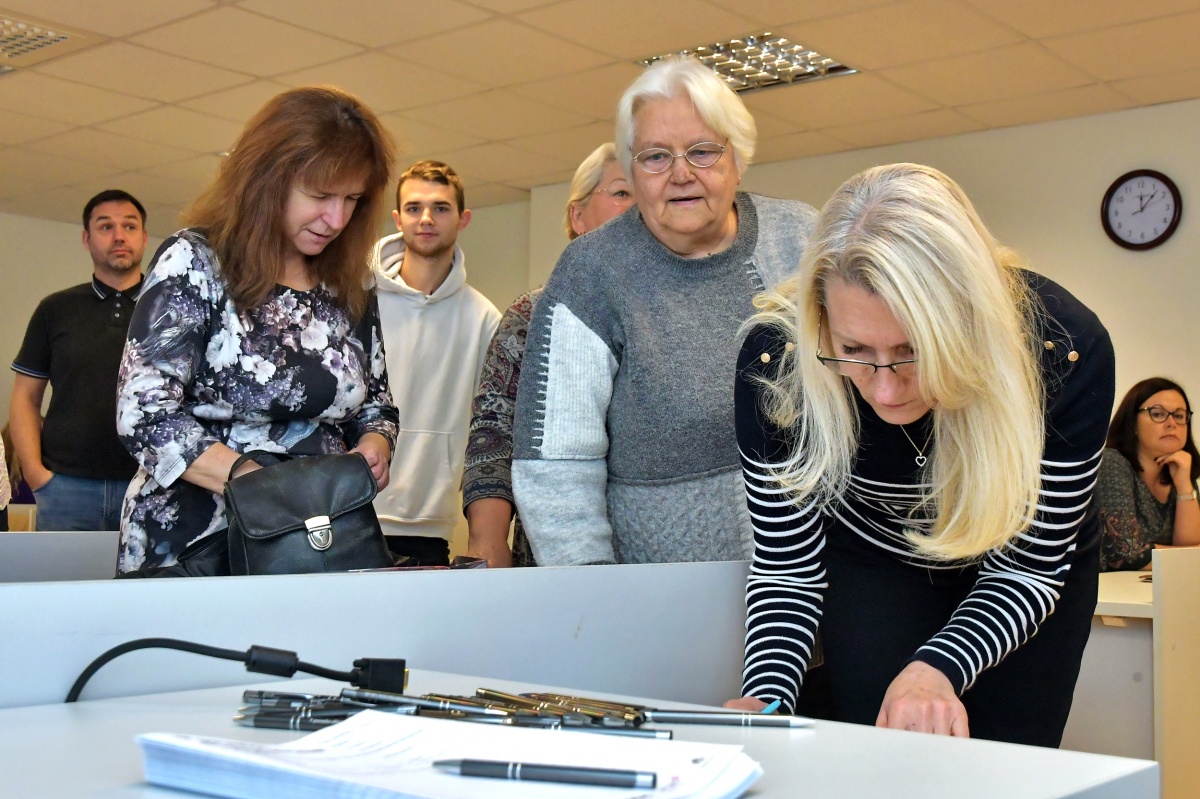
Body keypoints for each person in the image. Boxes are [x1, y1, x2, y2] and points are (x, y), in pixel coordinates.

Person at [725, 163, 1115, 748]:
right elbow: (788, 569)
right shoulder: (775, 363)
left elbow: (1029, 569)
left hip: (1019, 562)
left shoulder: (1063, 349)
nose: (885, 390)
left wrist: (938, 669)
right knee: (878, 742)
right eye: (854, 350)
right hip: (877, 552)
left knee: (1007, 760)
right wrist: (767, 698)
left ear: (968, 323)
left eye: (914, 351)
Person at [511, 56, 817, 566]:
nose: (680, 174)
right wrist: (594, 591)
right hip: (657, 588)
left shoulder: (802, 239)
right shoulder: (592, 272)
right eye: (655, 156)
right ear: (632, 171)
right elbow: (556, 466)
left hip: (811, 576)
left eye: (702, 151)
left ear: (738, 158)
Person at [114, 86, 399, 574]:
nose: (337, 218)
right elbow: (143, 413)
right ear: (267, 180)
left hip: (315, 540)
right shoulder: (196, 261)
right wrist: (255, 481)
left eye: (352, 199)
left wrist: (377, 442)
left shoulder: (349, 283)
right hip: (198, 542)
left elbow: (376, 403)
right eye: (320, 195)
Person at [462, 143, 634, 567]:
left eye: (645, 195)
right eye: (621, 192)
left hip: (661, 556)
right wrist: (487, 541)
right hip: (556, 556)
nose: (637, 208)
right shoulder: (533, 314)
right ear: (578, 216)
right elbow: (493, 432)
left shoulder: (672, 317)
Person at [370, 160, 500, 567]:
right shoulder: (357, 301)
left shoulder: (484, 319)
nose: (426, 218)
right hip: (350, 512)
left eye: (441, 208)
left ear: (463, 219)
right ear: (398, 219)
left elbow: (491, 428)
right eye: (414, 208)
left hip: (429, 525)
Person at [10, 190, 148, 531]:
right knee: (60, 570)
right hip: (66, 489)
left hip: (151, 485)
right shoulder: (55, 309)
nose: (119, 236)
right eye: (106, 226)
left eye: (129, 226)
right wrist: (36, 475)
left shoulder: (170, 308)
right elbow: (25, 397)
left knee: (150, 572)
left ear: (144, 238)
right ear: (87, 238)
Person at [1097, 378, 1200, 570]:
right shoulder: (1112, 462)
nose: (1172, 423)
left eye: (1179, 416)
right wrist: (1188, 557)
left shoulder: (1180, 471)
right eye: (1158, 414)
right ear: (1132, 424)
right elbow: (1126, 552)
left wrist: (1184, 486)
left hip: (1156, 584)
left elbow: (1190, 549)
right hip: (1108, 586)